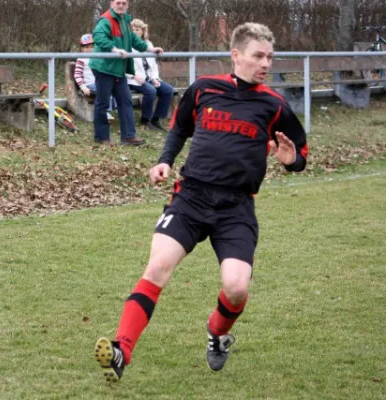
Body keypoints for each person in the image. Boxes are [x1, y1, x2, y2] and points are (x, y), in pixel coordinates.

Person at [94, 22, 308, 382]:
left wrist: (291, 161)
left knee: (237, 288)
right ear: (236, 55)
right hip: (191, 197)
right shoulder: (205, 89)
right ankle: (121, 351)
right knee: (158, 267)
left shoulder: (274, 104)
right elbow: (179, 128)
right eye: (258, 56)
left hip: (236, 208)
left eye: (270, 57)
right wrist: (165, 160)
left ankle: (216, 332)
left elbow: (299, 153)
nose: (265, 63)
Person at [89, 0, 164, 145]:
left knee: (125, 100)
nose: (121, 5)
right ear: (112, 4)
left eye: (124, 3)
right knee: (103, 103)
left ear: (127, 4)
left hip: (118, 70)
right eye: (118, 2)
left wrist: (150, 49)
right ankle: (102, 138)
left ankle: (128, 136)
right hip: (104, 67)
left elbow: (134, 40)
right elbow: (98, 36)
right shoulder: (106, 20)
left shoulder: (125, 20)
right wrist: (115, 50)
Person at [128, 19, 174, 132]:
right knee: (151, 91)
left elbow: (153, 66)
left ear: (143, 31)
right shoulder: (127, 44)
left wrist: (154, 78)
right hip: (133, 79)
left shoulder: (148, 44)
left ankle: (156, 119)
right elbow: (123, 65)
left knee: (168, 90)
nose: (134, 32)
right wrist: (133, 76)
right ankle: (145, 119)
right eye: (132, 30)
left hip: (148, 78)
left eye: (137, 30)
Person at [74, 33, 116, 122]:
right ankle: (105, 113)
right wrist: (83, 87)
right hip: (89, 84)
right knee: (104, 90)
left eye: (91, 47)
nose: (88, 49)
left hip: (99, 82)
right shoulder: (81, 59)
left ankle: (114, 108)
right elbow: (77, 75)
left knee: (113, 88)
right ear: (82, 48)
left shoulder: (98, 57)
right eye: (86, 47)